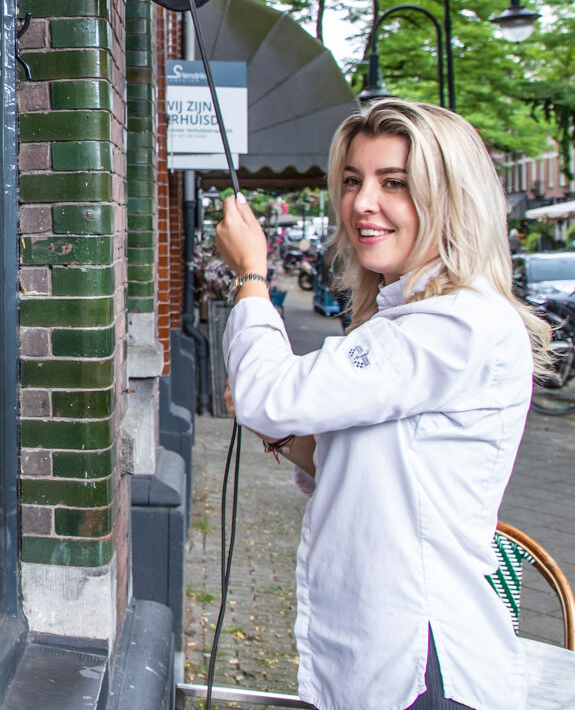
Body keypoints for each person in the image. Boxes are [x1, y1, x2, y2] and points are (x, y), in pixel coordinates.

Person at [215, 98, 551, 710]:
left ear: (449, 197)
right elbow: (370, 460)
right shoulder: (412, 319)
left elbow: (269, 397)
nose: (362, 203)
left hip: (420, 664)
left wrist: (251, 276)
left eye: (393, 183)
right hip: (376, 651)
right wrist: (289, 431)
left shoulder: (455, 325)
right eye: (352, 181)